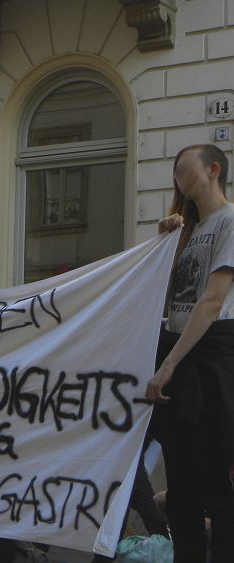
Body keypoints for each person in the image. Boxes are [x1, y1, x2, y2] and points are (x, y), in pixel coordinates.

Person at [148, 143, 234, 563]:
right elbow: (164, 297)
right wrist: (168, 240)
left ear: (213, 170)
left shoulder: (231, 220)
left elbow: (211, 302)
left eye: (185, 170)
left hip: (209, 355)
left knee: (216, 478)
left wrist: (168, 366)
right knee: (181, 480)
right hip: (180, 352)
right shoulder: (189, 229)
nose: (179, 179)